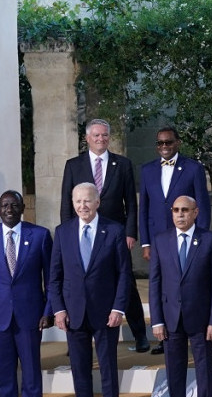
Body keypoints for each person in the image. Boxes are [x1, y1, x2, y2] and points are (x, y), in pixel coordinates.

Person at [58, 118, 150, 352]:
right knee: (81, 284)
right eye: (96, 135)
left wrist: (130, 233)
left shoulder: (123, 164)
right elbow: (66, 205)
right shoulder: (73, 165)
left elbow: (131, 202)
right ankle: (77, 337)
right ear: (87, 138)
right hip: (82, 235)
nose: (101, 139)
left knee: (125, 283)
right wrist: (68, 237)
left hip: (114, 236)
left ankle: (140, 334)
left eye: (105, 135)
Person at [49, 183, 132, 397]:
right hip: (73, 312)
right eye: (78, 201)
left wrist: (118, 308)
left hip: (106, 313)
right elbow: (55, 276)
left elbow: (124, 273)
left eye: (87, 200)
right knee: (79, 370)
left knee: (108, 369)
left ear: (97, 202)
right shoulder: (62, 232)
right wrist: (58, 309)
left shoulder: (114, 230)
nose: (82, 205)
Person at [139, 127, 211, 355]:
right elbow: (145, 209)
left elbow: (203, 205)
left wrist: (201, 238)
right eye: (160, 143)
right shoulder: (147, 170)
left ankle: (194, 332)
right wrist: (146, 242)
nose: (164, 147)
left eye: (168, 142)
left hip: (189, 238)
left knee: (192, 283)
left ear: (178, 143)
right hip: (160, 241)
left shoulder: (193, 168)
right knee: (161, 286)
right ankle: (165, 335)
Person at [148, 196, 212, 397]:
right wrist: (156, 321)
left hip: (202, 321)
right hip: (170, 318)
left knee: (205, 372)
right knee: (174, 373)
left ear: (195, 212)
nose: (180, 214)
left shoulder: (211, 241)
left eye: (185, 210)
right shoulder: (160, 241)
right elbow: (155, 282)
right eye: (176, 210)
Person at [0, 190, 53, 397]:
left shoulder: (40, 235)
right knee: (4, 373)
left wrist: (48, 310)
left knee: (31, 372)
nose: (9, 209)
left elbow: (50, 278)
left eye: (14, 205)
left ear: (23, 209)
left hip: (30, 316)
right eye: (4, 205)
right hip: (1, 315)